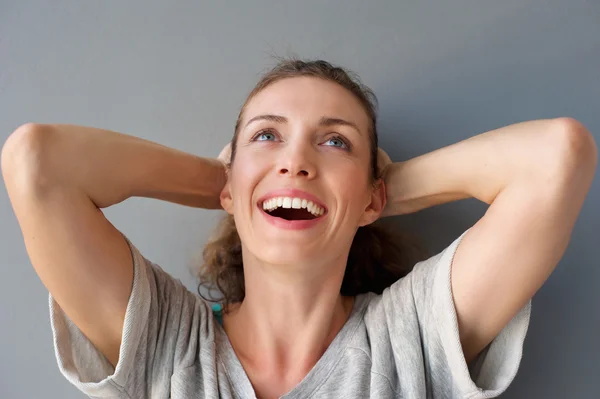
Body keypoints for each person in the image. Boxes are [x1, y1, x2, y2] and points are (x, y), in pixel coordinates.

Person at [2, 59, 596, 399]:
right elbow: (37, 162)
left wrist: (365, 191)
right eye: (267, 135)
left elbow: (558, 157)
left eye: (335, 140)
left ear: (374, 198)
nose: (296, 160)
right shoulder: (168, 346)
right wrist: (228, 181)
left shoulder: (409, 339)